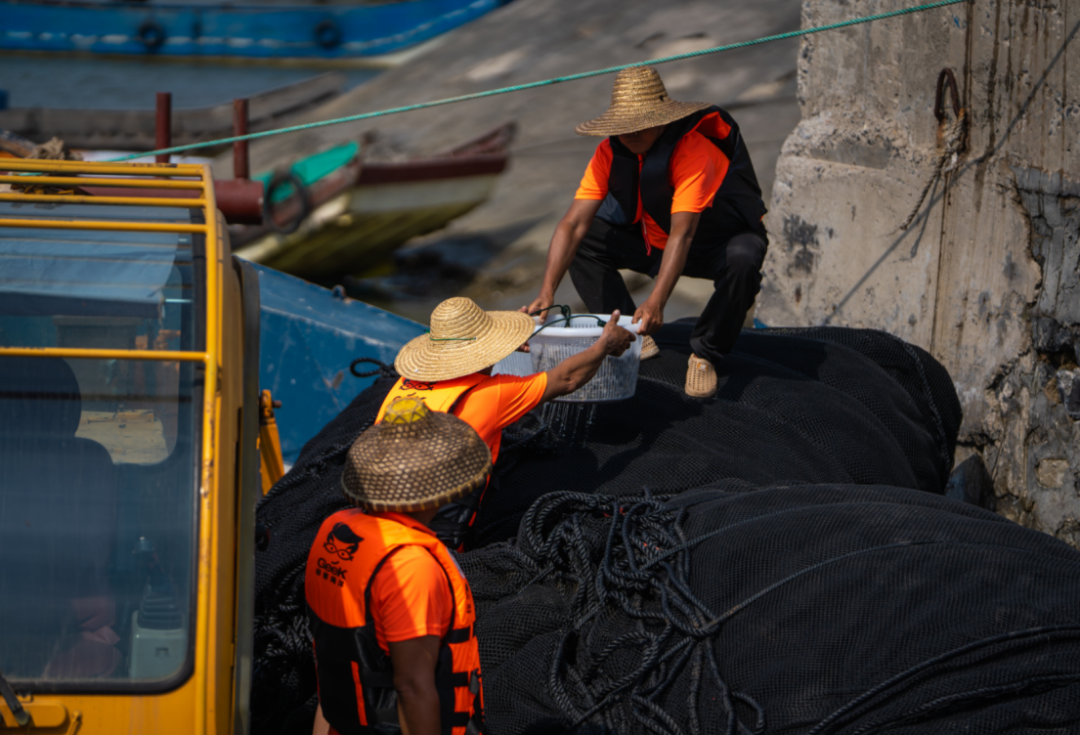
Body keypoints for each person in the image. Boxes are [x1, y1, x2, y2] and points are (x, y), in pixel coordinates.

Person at [524, 65, 769, 399]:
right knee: (584, 239)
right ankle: (631, 329)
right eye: (624, 126)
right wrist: (547, 291)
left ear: (663, 120)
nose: (632, 133)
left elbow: (683, 232)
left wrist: (656, 301)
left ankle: (706, 354)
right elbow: (572, 223)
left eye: (641, 124)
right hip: (654, 244)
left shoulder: (693, 150)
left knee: (745, 257)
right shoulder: (608, 153)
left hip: (710, 244)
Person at [376, 296, 634, 549]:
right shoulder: (492, 394)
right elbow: (567, 379)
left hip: (379, 513)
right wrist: (604, 345)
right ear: (486, 347)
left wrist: (503, 345)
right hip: (433, 537)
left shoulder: (406, 384)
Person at [307, 397, 491, 735]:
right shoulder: (411, 565)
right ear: (442, 490)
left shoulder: (335, 529)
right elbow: (413, 687)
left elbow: (333, 667)